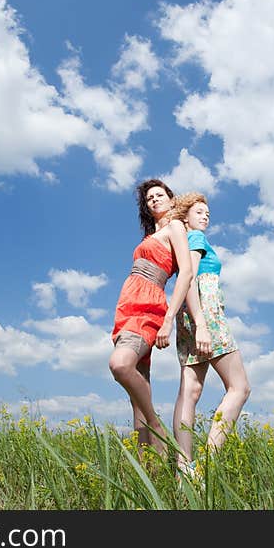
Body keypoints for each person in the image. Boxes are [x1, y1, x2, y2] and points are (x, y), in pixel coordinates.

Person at [109, 179, 212, 458]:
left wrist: (169, 319)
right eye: (149, 198)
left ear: (170, 198)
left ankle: (157, 428)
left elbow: (187, 274)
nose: (153, 200)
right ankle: (148, 471)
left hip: (149, 307)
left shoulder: (175, 228)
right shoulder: (149, 236)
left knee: (119, 365)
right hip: (127, 306)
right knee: (136, 399)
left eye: (159, 195)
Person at [169, 192, 251, 477]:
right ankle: (206, 466)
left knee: (189, 392)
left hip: (188, 316)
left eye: (208, 213)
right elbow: (189, 278)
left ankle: (184, 468)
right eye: (199, 212)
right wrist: (203, 324)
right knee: (240, 387)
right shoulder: (195, 239)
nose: (206, 217)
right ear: (185, 216)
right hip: (206, 315)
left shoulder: (185, 241)